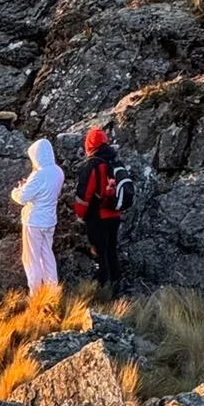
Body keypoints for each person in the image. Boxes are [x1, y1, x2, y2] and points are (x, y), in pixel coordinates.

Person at [10, 138, 65, 292]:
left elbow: (22, 198)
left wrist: (16, 190)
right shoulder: (58, 172)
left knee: (31, 258)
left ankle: (36, 293)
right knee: (47, 255)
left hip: (34, 221)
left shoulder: (38, 175)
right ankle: (52, 290)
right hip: (50, 221)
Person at [73, 126, 123, 295]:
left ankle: (102, 290)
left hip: (98, 217)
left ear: (89, 145)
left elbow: (84, 194)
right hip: (115, 214)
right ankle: (116, 287)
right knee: (112, 251)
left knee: (100, 253)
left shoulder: (93, 165)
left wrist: (79, 215)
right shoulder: (114, 162)